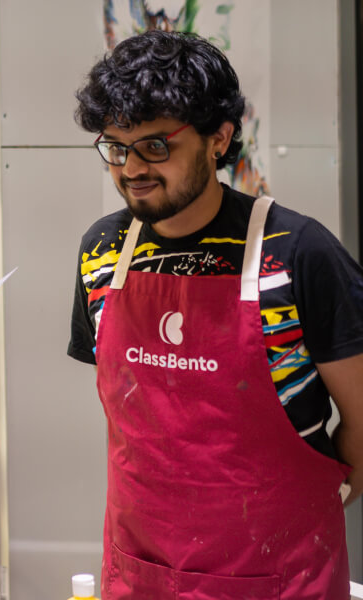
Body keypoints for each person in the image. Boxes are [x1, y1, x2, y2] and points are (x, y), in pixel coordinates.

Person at [68, 30, 363, 599]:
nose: (131, 168)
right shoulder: (100, 252)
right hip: (143, 568)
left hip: (280, 574)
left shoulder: (298, 252)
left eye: (156, 146)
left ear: (218, 139)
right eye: (116, 146)